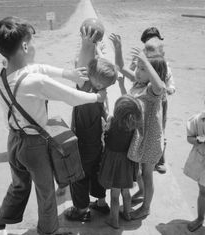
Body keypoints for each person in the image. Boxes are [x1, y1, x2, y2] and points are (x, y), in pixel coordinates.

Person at [0, 16, 107, 235]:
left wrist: (68, 73)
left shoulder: (1, 74)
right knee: (46, 196)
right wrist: (96, 98)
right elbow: (72, 97)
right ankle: (50, 232)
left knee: (18, 186)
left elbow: (37, 68)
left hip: (14, 141)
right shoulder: (35, 83)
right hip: (33, 147)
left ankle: (0, 223)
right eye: (31, 42)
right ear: (25, 46)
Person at [110, 33, 167, 219]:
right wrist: (118, 48)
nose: (138, 71)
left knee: (147, 174)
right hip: (141, 137)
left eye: (142, 69)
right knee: (140, 171)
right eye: (139, 67)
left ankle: (146, 207)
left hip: (150, 139)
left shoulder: (152, 90)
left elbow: (161, 87)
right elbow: (121, 67)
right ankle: (142, 193)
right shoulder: (139, 82)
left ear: (152, 73)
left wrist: (146, 62)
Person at [65, 24, 117, 222]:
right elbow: (94, 67)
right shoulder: (101, 92)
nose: (85, 71)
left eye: (89, 71)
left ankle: (81, 210)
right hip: (97, 144)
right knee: (97, 172)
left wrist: (86, 43)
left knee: (78, 176)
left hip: (81, 145)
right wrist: (95, 47)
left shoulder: (85, 89)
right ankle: (101, 203)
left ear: (92, 78)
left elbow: (81, 64)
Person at [131, 27, 175, 174]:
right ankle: (148, 155)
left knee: (160, 129)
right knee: (146, 128)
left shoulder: (164, 65)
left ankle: (161, 159)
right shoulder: (144, 59)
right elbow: (132, 71)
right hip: (145, 97)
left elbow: (170, 86)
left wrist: (168, 89)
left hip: (160, 101)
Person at [98, 95, 142, 229]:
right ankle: (128, 214)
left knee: (115, 195)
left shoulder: (112, 121)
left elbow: (106, 136)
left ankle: (114, 220)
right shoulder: (133, 125)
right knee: (126, 192)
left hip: (114, 162)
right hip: (127, 163)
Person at [184, 112, 205, 232]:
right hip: (201, 161)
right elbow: (189, 138)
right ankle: (200, 218)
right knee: (203, 191)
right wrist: (197, 140)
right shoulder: (198, 119)